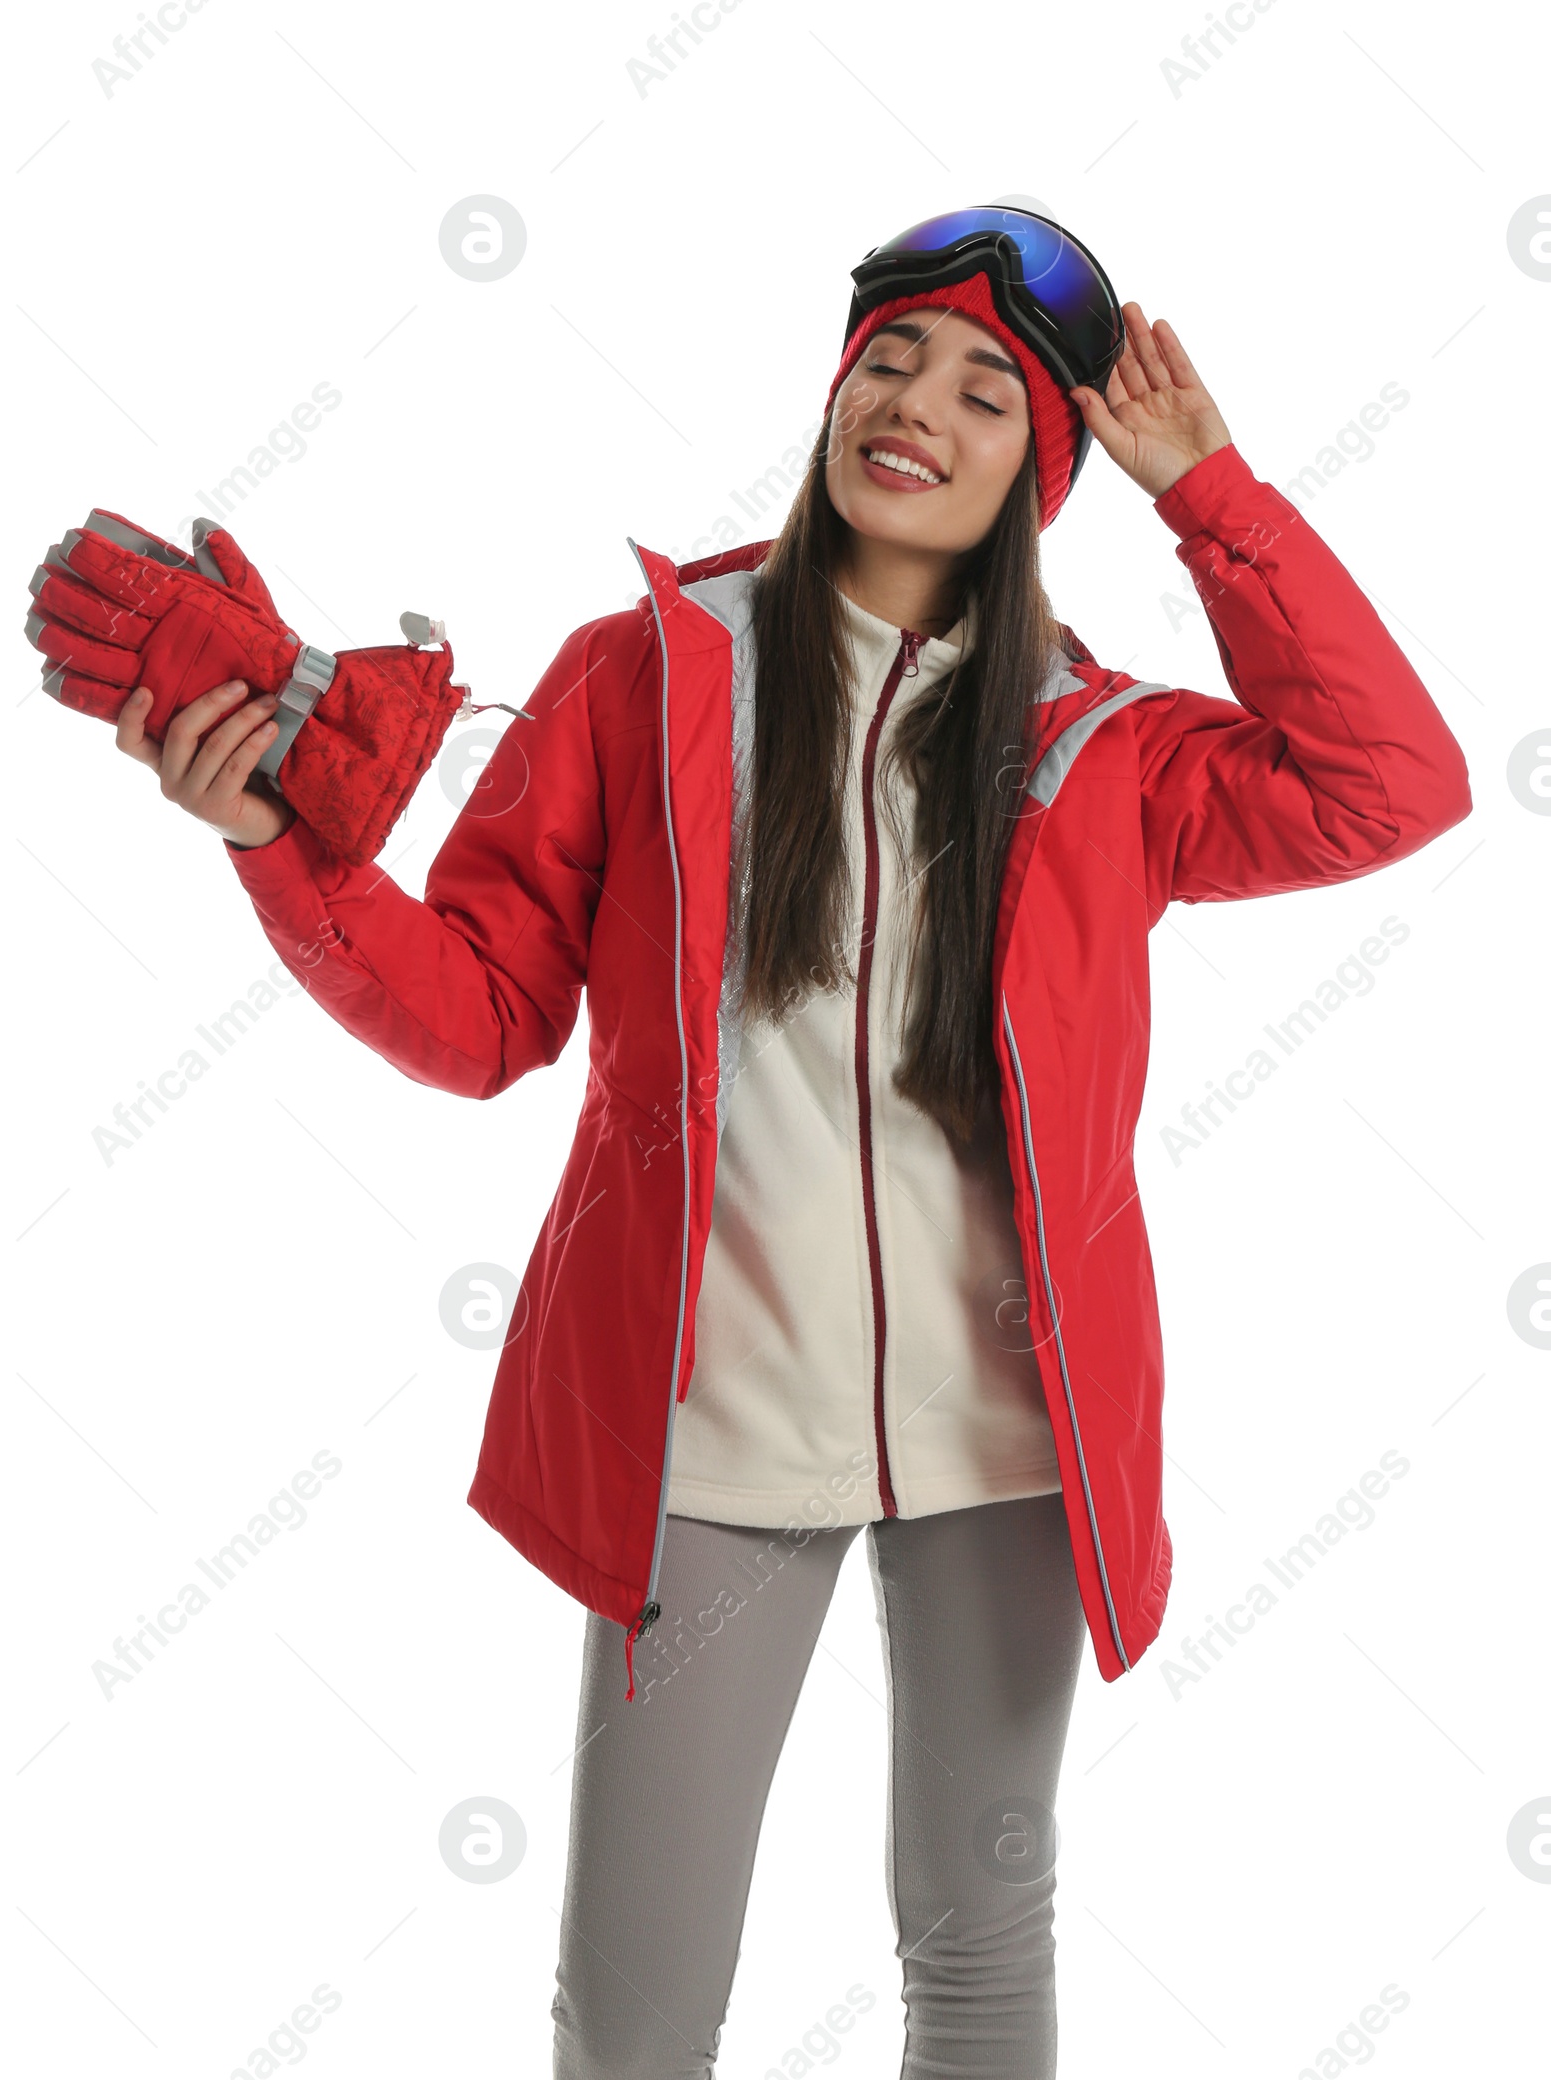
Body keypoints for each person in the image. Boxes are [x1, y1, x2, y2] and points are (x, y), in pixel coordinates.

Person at [112, 208, 1472, 2078]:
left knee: (983, 1960)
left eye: (989, 390)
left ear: (1042, 474)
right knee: (641, 2005)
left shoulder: (1110, 750)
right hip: (706, 1444)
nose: (916, 405)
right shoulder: (640, 677)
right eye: (891, 360)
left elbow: (1395, 783)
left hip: (1012, 1446)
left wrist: (1211, 494)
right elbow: (485, 1017)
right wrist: (285, 855)